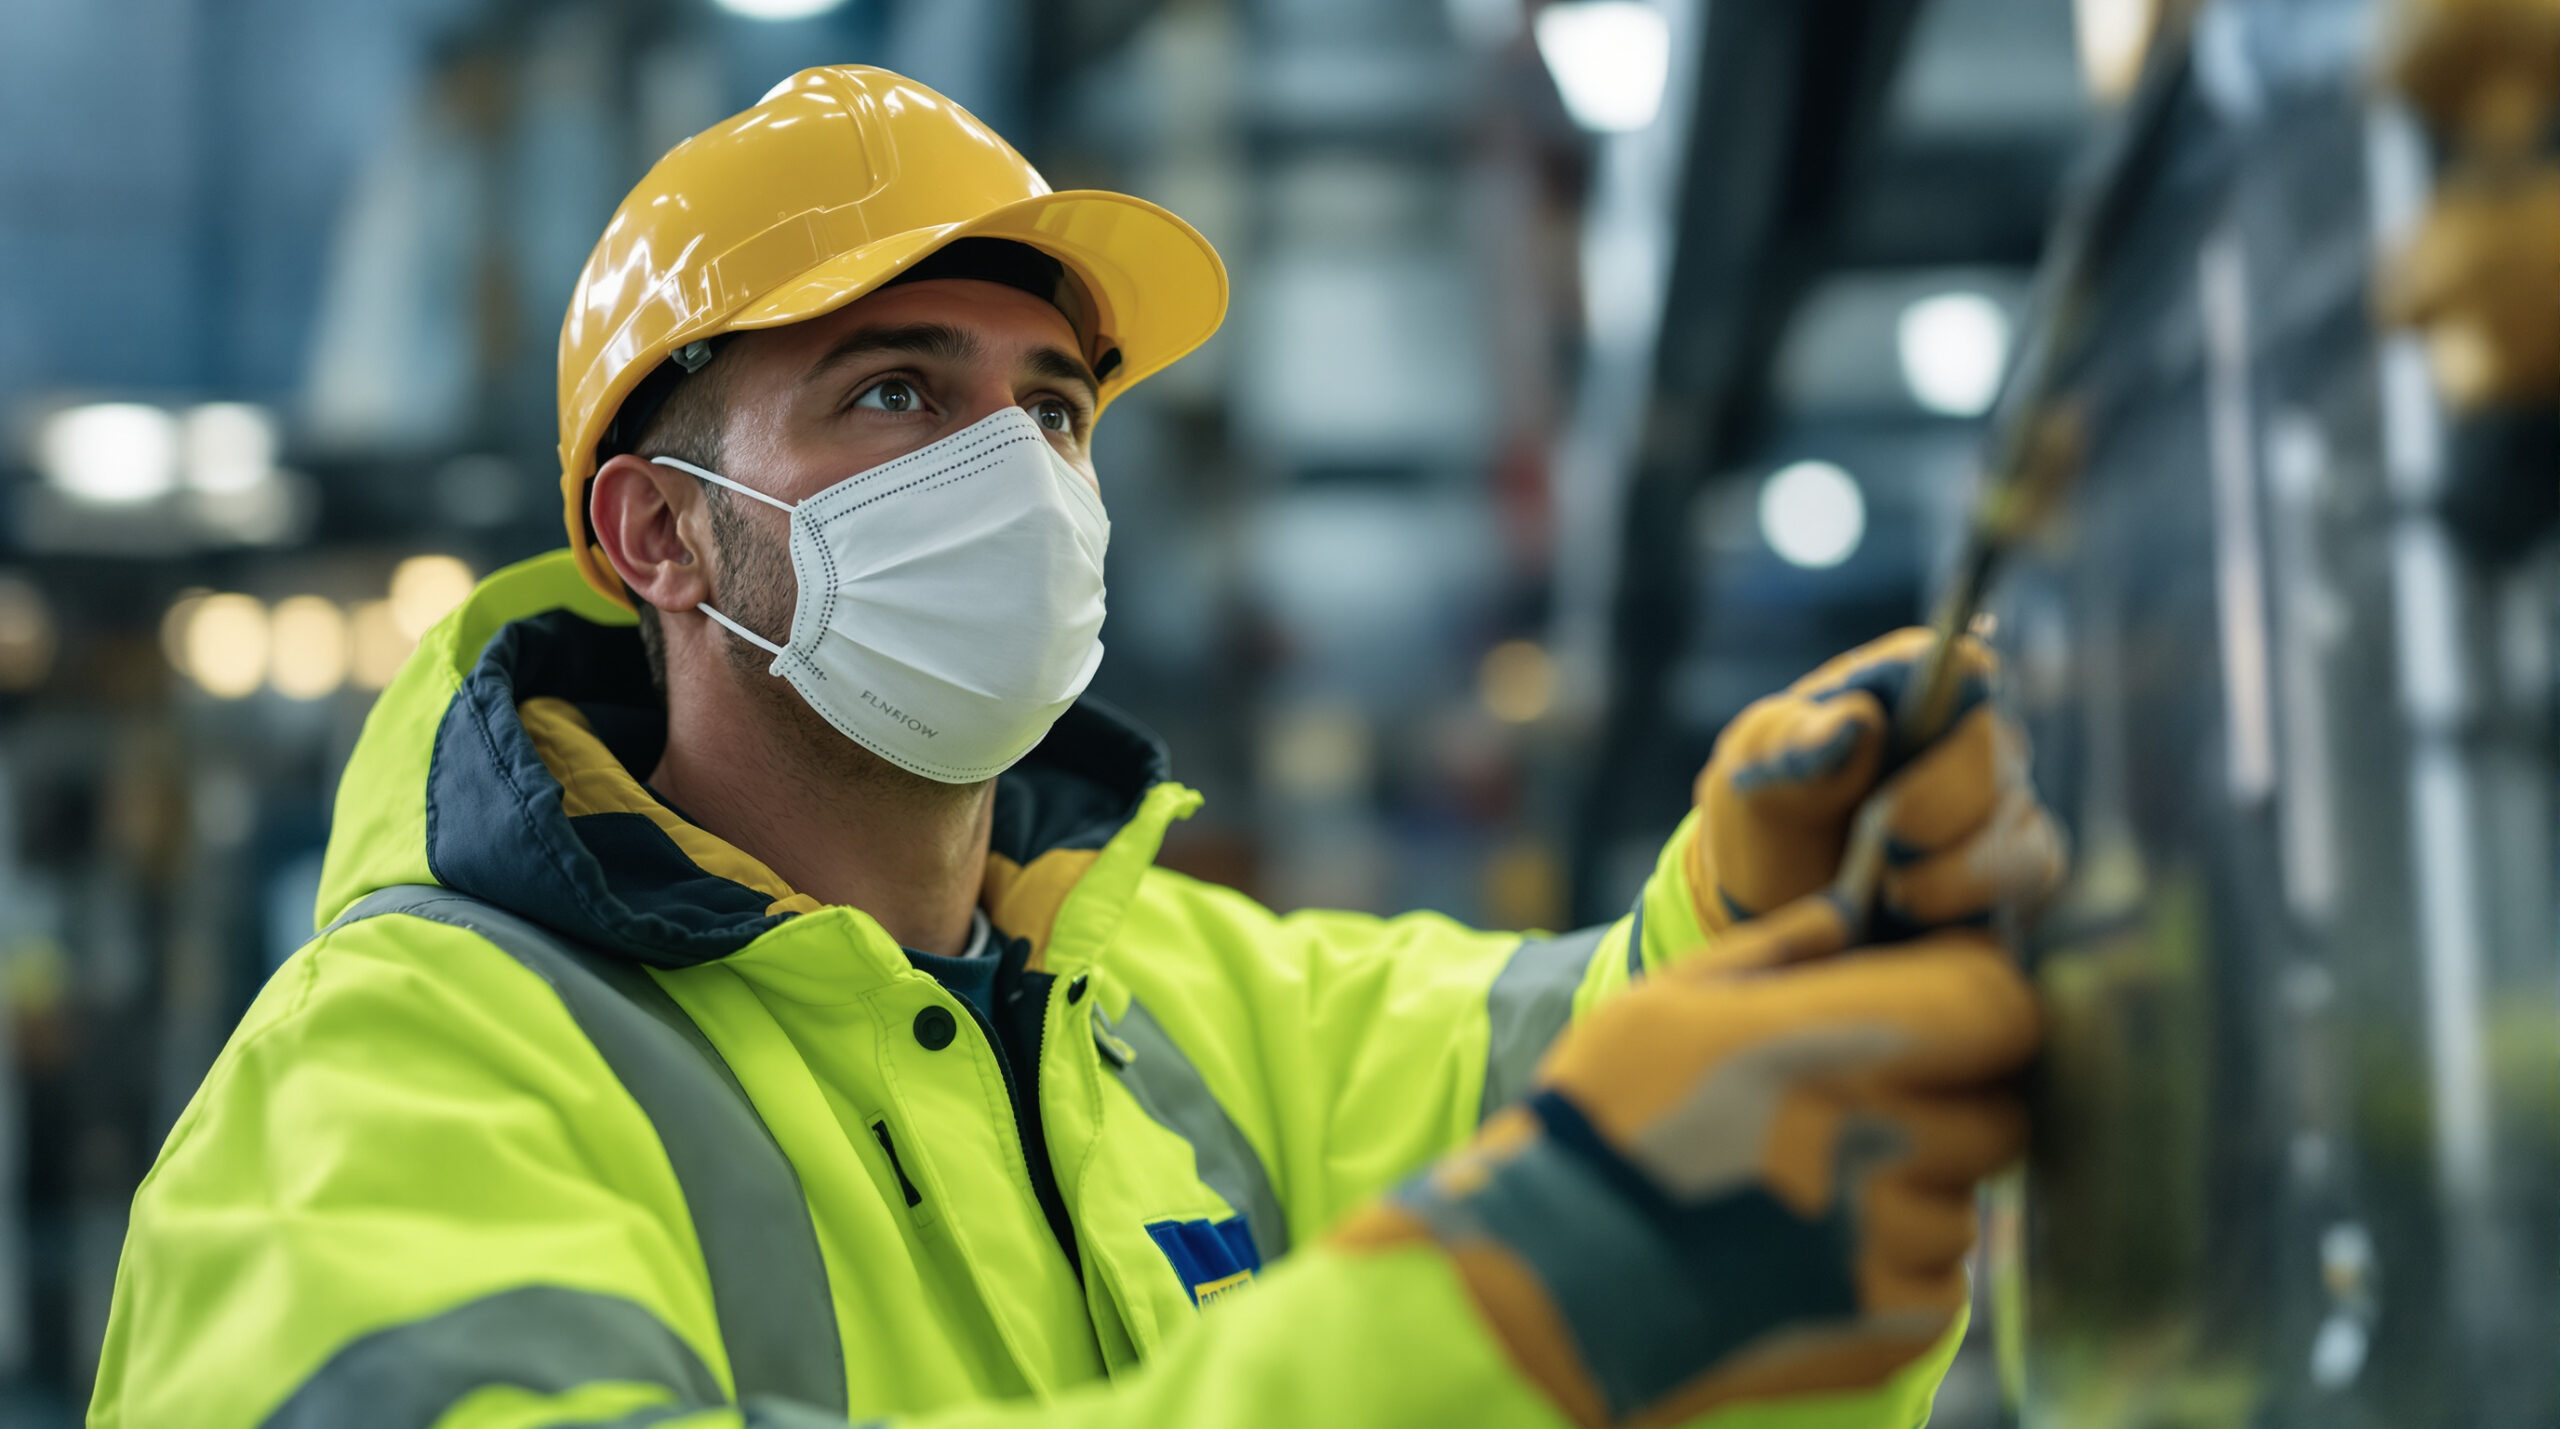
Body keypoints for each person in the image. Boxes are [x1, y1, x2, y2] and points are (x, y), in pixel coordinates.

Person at [89, 66, 2063, 1429]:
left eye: (1051, 410)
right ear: (658, 534)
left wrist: (1768, 916)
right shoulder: (395, 1083)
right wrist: (1474, 1339)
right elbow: (1554, 1274)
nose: (1013, 478)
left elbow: (1623, 1094)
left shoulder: (1183, 997)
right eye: (892, 392)